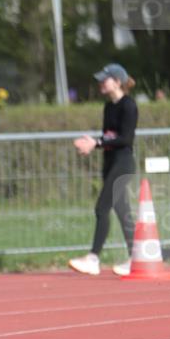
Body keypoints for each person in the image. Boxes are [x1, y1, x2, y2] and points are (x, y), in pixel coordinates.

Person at [69, 63, 137, 277]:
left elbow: (125, 139)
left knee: (101, 208)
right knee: (122, 211)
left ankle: (93, 258)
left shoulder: (129, 105)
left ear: (117, 82)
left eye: (104, 79)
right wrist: (92, 144)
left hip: (123, 164)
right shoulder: (108, 107)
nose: (100, 83)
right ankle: (137, 257)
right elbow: (108, 138)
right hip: (110, 163)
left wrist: (96, 143)